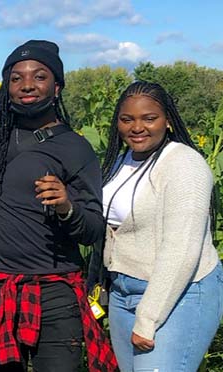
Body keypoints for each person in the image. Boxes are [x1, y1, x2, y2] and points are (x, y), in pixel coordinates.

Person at [0, 40, 117, 372]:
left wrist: (65, 206)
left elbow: (94, 229)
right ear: (7, 88)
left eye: (39, 76)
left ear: (56, 87)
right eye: (17, 78)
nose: (27, 85)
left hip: (54, 294)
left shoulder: (75, 148)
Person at [101, 81, 223, 371]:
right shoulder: (122, 161)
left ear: (168, 120)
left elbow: (182, 249)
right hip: (123, 291)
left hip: (179, 293)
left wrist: (149, 317)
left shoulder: (184, 165)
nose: (137, 127)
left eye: (149, 118)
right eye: (127, 119)